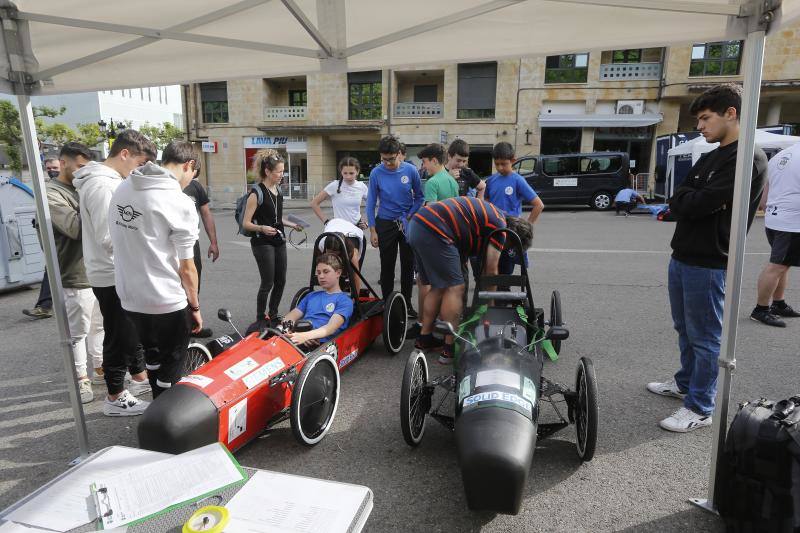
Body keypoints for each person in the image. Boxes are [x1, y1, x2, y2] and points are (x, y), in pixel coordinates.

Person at [647, 84, 767, 433]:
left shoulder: (748, 158)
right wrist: (692, 200)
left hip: (710, 260)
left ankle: (700, 407)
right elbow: (681, 197)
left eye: (705, 118)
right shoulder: (710, 155)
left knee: (704, 336)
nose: (700, 126)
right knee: (685, 329)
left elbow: (696, 202)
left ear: (731, 113)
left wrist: (692, 200)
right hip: (683, 255)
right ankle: (685, 383)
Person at [109, 140, 202, 398]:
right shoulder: (179, 202)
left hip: (130, 297)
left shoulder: (123, 188)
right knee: (172, 366)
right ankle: (164, 423)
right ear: (189, 165)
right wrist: (194, 306)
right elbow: (187, 267)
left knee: (151, 356)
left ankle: (155, 406)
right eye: (192, 175)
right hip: (166, 300)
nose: (190, 181)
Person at [74, 129, 156, 416]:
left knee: (127, 329)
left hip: (114, 269)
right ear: (124, 154)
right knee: (118, 333)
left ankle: (135, 379)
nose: (138, 171)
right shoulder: (102, 186)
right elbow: (108, 237)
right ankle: (115, 396)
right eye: (138, 163)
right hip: (111, 272)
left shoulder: (110, 182)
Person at [407, 196, 533, 363]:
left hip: (418, 224)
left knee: (438, 286)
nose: (505, 249)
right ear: (513, 237)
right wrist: (490, 308)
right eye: (508, 247)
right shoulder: (500, 228)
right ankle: (449, 349)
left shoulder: (493, 215)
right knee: (455, 287)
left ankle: (424, 339)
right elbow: (491, 270)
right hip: (436, 229)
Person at [41, 142, 104, 403]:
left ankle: (100, 369)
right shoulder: (51, 192)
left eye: (86, 167)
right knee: (77, 333)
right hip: (73, 273)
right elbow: (75, 228)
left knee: (100, 326)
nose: (83, 172)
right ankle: (81, 380)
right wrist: (97, 204)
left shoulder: (83, 188)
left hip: (97, 271)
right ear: (63, 163)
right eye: (79, 167)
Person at [241, 149, 303, 328]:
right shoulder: (256, 193)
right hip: (262, 242)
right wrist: (261, 227)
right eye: (278, 172)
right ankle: (261, 317)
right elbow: (246, 223)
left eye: (283, 171)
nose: (281, 175)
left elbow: (276, 218)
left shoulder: (278, 190)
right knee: (267, 282)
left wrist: (292, 225)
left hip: (278, 240)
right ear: (267, 172)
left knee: (281, 280)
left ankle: (273, 314)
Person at [366, 135, 424, 318]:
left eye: (391, 159)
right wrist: (373, 230)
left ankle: (406, 305)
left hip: (407, 223)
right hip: (385, 223)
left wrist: (409, 215)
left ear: (400, 154)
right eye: (384, 159)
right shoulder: (376, 173)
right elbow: (370, 203)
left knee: (408, 265)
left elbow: (420, 197)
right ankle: (387, 304)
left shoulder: (411, 171)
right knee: (387, 265)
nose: (388, 163)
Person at [407, 143, 460, 339]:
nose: (424, 166)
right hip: (449, 237)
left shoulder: (432, 183)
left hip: (432, 238)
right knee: (446, 284)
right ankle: (443, 324)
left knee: (425, 282)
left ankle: (423, 324)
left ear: (435, 160)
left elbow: (430, 213)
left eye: (425, 162)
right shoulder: (452, 181)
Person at [750, 141, 800, 327]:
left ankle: (778, 303)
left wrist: (768, 208)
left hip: (775, 218)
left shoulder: (782, 155)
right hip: (792, 222)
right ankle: (761, 309)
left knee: (783, 264)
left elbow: (765, 190)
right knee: (777, 266)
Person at [485, 142, 544, 276]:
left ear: (513, 161)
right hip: (494, 230)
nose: (500, 167)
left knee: (506, 268)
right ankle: (493, 293)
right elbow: (486, 203)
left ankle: (504, 291)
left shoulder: (518, 180)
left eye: (503, 164)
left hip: (510, 233)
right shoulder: (491, 180)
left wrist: (527, 226)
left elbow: (538, 205)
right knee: (492, 266)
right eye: (497, 164)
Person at [283, 253, 354, 349]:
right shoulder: (311, 296)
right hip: (301, 335)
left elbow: (330, 328)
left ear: (338, 273)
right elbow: (291, 316)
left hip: (322, 344)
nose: (321, 276)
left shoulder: (345, 301)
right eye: (319, 272)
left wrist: (306, 336)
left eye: (326, 272)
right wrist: (288, 330)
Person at [22, 159, 63, 319]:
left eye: (55, 167)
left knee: (54, 270)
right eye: (49, 168)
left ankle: (45, 306)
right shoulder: (47, 186)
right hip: (54, 237)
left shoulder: (70, 185)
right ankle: (45, 306)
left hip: (66, 237)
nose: (52, 170)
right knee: (52, 270)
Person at [182, 161, 219, 338]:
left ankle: (192, 324)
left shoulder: (195, 187)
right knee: (176, 286)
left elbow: (206, 214)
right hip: (171, 246)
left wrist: (213, 242)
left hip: (191, 243)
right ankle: (180, 328)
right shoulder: (167, 187)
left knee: (193, 284)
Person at [310, 156, 368, 265]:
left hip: (355, 231)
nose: (348, 176)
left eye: (351, 173)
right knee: (335, 266)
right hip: (338, 232)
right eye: (345, 173)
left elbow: (373, 204)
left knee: (355, 267)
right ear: (340, 171)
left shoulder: (361, 187)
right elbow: (314, 203)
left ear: (358, 171)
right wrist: (326, 222)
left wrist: (367, 222)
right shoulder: (334, 185)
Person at [319, 218, 364, 293]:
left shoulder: (352, 251)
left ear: (340, 252)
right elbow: (320, 268)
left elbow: (356, 277)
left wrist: (355, 301)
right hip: (334, 225)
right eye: (329, 253)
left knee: (348, 274)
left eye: (335, 254)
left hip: (354, 234)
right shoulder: (321, 244)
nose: (332, 256)